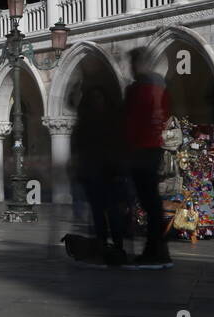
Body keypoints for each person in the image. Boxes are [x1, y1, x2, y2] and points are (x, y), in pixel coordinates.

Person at [123, 48, 172, 268]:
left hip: (140, 150)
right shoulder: (161, 88)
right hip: (152, 148)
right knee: (151, 202)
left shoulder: (140, 89)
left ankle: (156, 251)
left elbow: (131, 121)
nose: (131, 68)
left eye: (133, 63)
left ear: (140, 64)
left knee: (149, 202)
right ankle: (158, 249)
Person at [71, 86, 127, 263]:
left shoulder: (112, 122)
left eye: (99, 97)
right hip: (93, 173)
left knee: (113, 212)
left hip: (110, 173)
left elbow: (120, 146)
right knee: (97, 213)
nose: (97, 101)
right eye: (93, 98)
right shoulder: (85, 123)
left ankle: (118, 247)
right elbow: (79, 149)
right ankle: (102, 245)